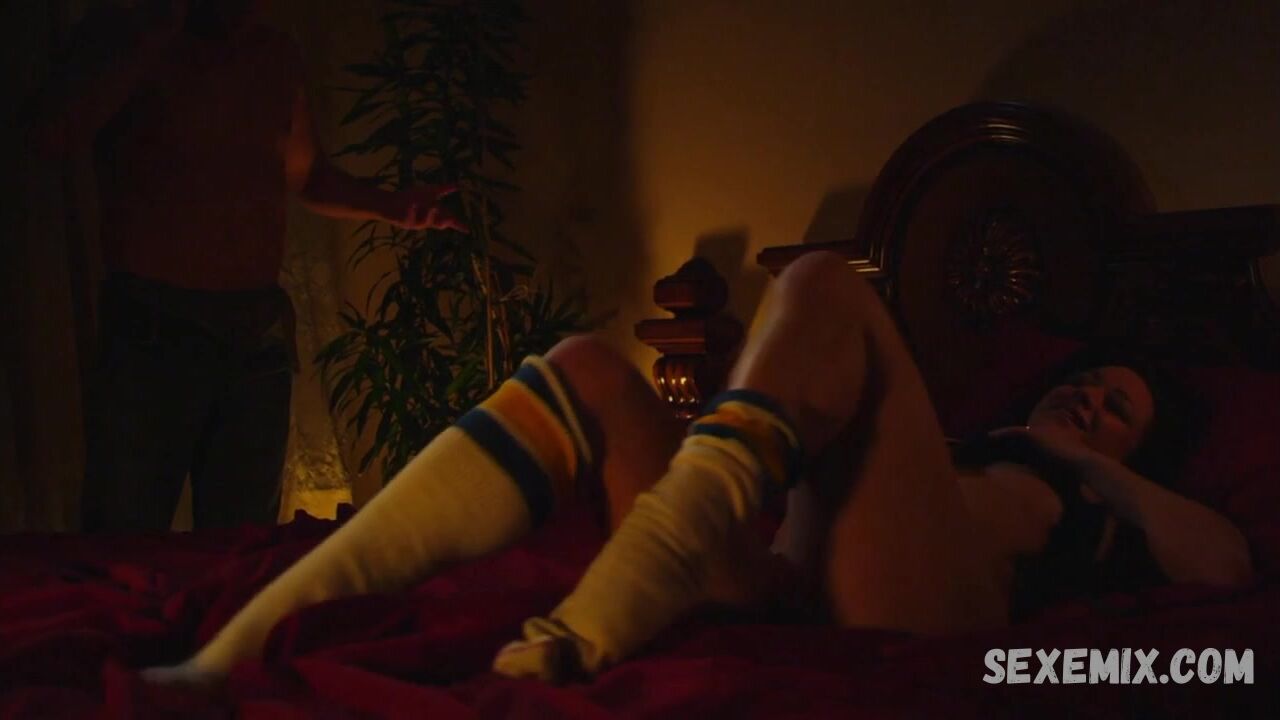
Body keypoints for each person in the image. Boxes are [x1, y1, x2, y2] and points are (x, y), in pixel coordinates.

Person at [141, 251, 1255, 688]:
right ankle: (231, 656)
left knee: (820, 280)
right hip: (783, 574)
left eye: (1117, 408)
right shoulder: (952, 437)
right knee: (583, 365)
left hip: (931, 605)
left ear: (1135, 447)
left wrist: (1084, 458)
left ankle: (611, 604)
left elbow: (1228, 566)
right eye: (1084, 383)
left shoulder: (1103, 492)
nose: (1088, 399)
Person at [25, 0, 463, 531]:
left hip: (255, 334)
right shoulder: (129, 33)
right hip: (153, 330)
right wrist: (151, 33)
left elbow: (305, 173)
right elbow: (51, 133)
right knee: (125, 538)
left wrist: (391, 206)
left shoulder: (274, 55)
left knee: (243, 540)